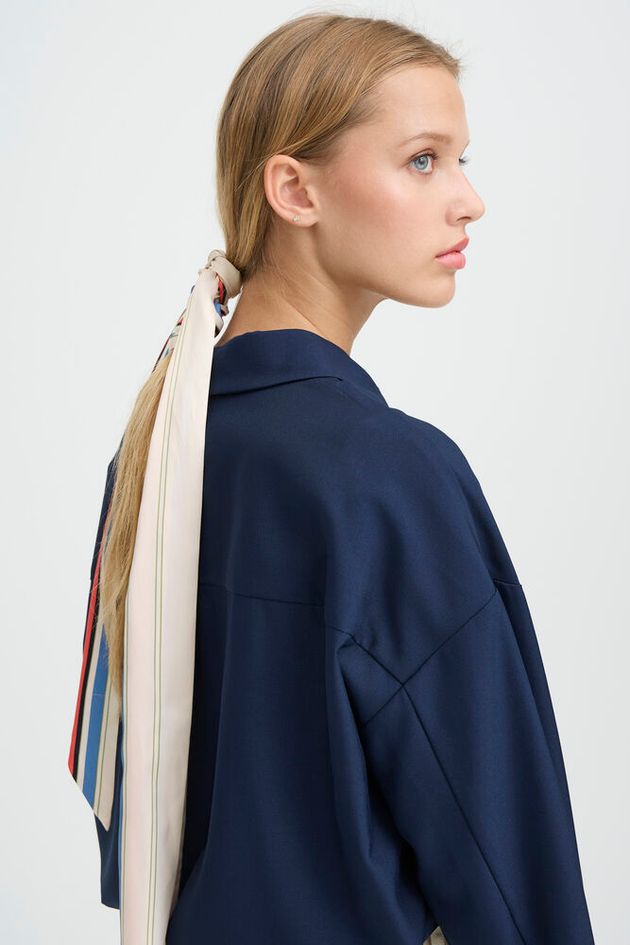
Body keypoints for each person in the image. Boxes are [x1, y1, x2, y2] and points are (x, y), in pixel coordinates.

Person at [67, 12, 596, 945]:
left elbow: (127, 820)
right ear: (295, 190)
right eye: (423, 160)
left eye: (462, 160)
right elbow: (508, 870)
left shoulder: (158, 447)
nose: (470, 200)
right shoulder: (386, 475)